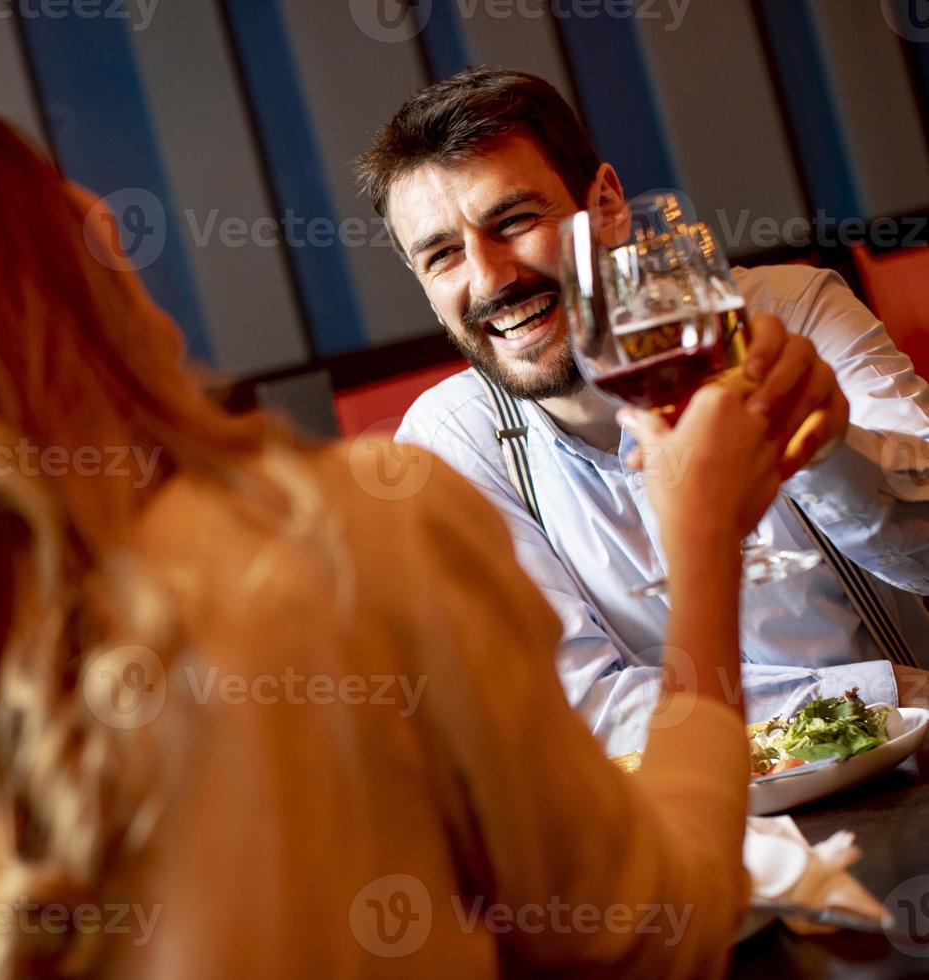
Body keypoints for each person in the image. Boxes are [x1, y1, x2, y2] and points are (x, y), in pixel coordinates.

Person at [0, 87, 825, 978]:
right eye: (52, 204)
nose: (101, 215)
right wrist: (703, 544)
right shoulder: (358, 528)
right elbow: (651, 931)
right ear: (35, 282)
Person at [357, 67, 929, 756]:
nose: (490, 278)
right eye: (443, 255)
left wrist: (830, 449)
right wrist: (889, 696)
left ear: (606, 207)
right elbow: (582, 709)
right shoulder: (448, 446)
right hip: (712, 833)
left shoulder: (792, 314)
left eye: (513, 221)